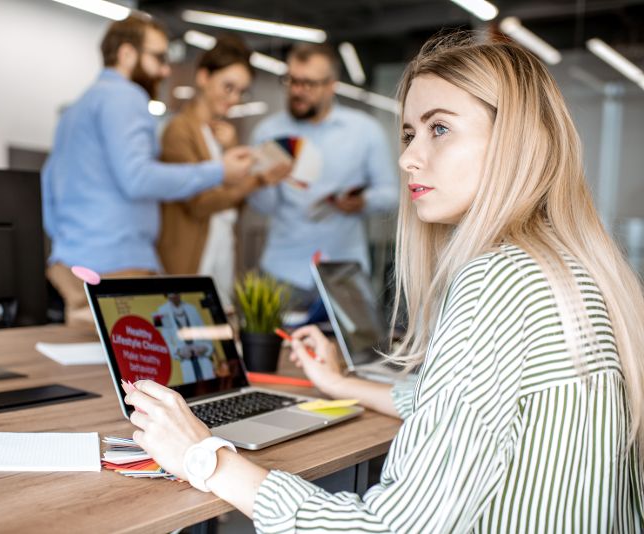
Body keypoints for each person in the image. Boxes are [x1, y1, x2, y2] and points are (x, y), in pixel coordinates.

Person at [121, 34, 644, 532]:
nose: (408, 157)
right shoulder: (567, 268)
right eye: (411, 133)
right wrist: (342, 385)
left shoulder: (499, 282)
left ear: (515, 140)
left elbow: (391, 528)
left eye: (439, 128)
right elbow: (460, 404)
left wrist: (203, 456)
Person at [41, 15, 253, 326]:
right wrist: (219, 171)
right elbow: (138, 178)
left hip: (71, 262)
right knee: (136, 371)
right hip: (117, 265)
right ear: (127, 54)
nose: (166, 70)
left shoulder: (78, 107)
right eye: (158, 57)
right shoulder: (125, 97)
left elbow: (48, 183)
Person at [248, 43, 399, 308]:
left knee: (348, 350)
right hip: (283, 269)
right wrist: (264, 182)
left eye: (309, 84)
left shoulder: (365, 130)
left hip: (344, 271)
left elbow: (390, 194)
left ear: (331, 85)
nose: (297, 91)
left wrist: (363, 202)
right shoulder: (267, 132)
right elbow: (263, 206)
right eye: (292, 81)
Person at [157, 35, 291, 309]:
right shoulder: (179, 131)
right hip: (190, 255)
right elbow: (198, 204)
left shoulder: (222, 134)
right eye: (228, 87)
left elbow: (232, 204)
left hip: (220, 249)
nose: (234, 98)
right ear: (204, 77)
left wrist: (233, 149)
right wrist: (258, 180)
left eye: (241, 91)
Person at [154, 293, 215, 383]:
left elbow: (205, 334)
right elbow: (163, 341)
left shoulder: (192, 309)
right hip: (185, 361)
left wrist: (205, 347)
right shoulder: (159, 312)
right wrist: (178, 352)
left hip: (202, 358)